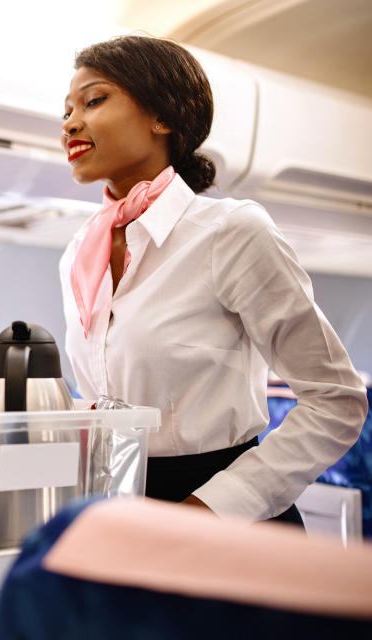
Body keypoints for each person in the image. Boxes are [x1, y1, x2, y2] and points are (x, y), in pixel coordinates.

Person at [58, 35, 368, 524]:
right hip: (123, 506)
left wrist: (210, 510)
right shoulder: (80, 253)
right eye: (67, 111)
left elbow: (336, 401)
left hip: (226, 514)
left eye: (94, 100)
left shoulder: (230, 232)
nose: (71, 123)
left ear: (163, 117)